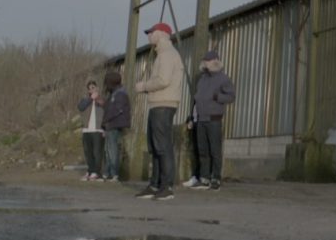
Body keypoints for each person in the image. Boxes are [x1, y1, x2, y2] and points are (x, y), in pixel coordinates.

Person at [134, 22, 184, 201]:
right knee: (155, 146)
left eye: (151, 32)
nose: (149, 35)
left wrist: (143, 86)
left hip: (164, 104)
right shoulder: (162, 54)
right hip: (157, 104)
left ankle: (167, 186)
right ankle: (155, 184)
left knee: (162, 146)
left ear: (162, 34)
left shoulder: (167, 54)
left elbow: (163, 80)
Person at [190, 50, 236, 191]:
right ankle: (204, 179)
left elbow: (231, 97)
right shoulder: (202, 79)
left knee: (215, 150)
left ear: (215, 61)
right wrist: (192, 117)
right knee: (202, 150)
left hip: (214, 119)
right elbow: (197, 99)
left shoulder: (224, 79)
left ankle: (216, 179)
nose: (205, 63)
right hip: (201, 119)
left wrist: (217, 97)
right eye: (205, 60)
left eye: (208, 60)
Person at [100, 71, 130, 182]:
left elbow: (116, 110)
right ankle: (107, 173)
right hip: (110, 125)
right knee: (108, 150)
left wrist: (106, 120)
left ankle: (114, 173)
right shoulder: (113, 94)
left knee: (112, 150)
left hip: (115, 124)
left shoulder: (120, 94)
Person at [77, 81, 104, 182]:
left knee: (97, 152)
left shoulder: (101, 98)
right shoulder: (85, 99)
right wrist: (90, 98)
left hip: (98, 129)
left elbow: (104, 105)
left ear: (97, 88)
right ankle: (90, 170)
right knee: (88, 152)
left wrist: (96, 98)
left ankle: (96, 172)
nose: (92, 90)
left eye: (93, 87)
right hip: (86, 129)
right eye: (90, 88)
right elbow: (80, 107)